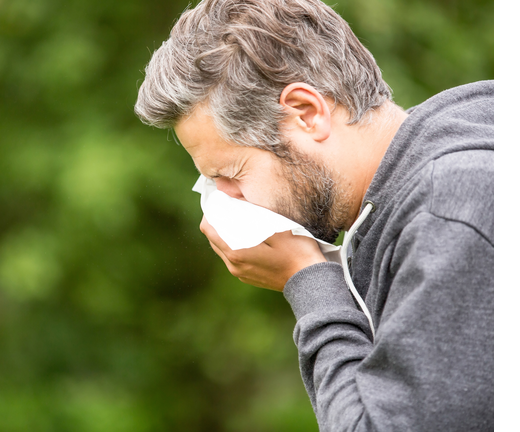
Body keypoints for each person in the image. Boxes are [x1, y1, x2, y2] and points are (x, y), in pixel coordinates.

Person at [134, 0, 493, 430]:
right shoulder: (436, 174)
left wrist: (307, 279)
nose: (226, 200)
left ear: (306, 112)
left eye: (230, 174)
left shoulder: (450, 211)